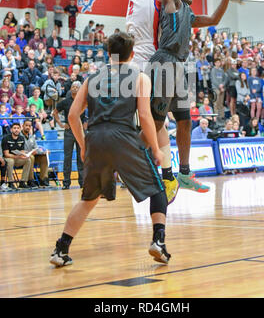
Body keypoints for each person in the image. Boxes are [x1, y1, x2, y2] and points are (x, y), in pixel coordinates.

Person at [50, 32, 170, 267]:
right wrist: (156, 149)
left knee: (89, 198)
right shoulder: (139, 77)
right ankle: (158, 241)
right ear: (132, 54)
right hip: (123, 137)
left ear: (108, 54)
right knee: (157, 190)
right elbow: (145, 116)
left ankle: (60, 248)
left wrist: (84, 146)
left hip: (95, 138)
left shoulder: (91, 78)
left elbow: (73, 115)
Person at [145, 0, 237, 198]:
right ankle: (139, 165)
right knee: (157, 122)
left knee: (185, 120)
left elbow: (214, 20)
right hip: (163, 61)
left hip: (179, 67)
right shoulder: (170, 1)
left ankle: (183, 174)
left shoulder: (189, 15)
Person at [53, 82, 85, 190]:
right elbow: (55, 112)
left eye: (77, 87)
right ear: (70, 89)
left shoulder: (83, 101)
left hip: (81, 131)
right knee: (67, 157)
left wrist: (88, 122)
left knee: (81, 157)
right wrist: (61, 124)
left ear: (80, 89)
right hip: (69, 132)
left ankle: (83, 182)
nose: (75, 88)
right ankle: (66, 183)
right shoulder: (65, 102)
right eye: (73, 87)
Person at [2, 122, 32, 190]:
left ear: (20, 129)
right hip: (7, 158)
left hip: (17, 158)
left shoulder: (21, 138)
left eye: (18, 128)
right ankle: (10, 182)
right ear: (11, 130)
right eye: (14, 128)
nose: (16, 130)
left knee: (28, 160)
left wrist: (25, 155)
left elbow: (21, 151)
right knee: (11, 161)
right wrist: (18, 157)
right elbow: (6, 154)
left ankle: (22, 182)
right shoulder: (6, 138)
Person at [21, 119, 49, 188]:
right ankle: (31, 180)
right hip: (23, 157)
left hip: (33, 155)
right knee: (31, 157)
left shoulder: (31, 137)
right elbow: (20, 150)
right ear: (23, 126)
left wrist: (43, 152)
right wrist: (29, 153)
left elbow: (36, 148)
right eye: (26, 125)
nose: (28, 127)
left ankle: (43, 179)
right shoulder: (19, 136)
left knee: (44, 157)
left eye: (29, 126)